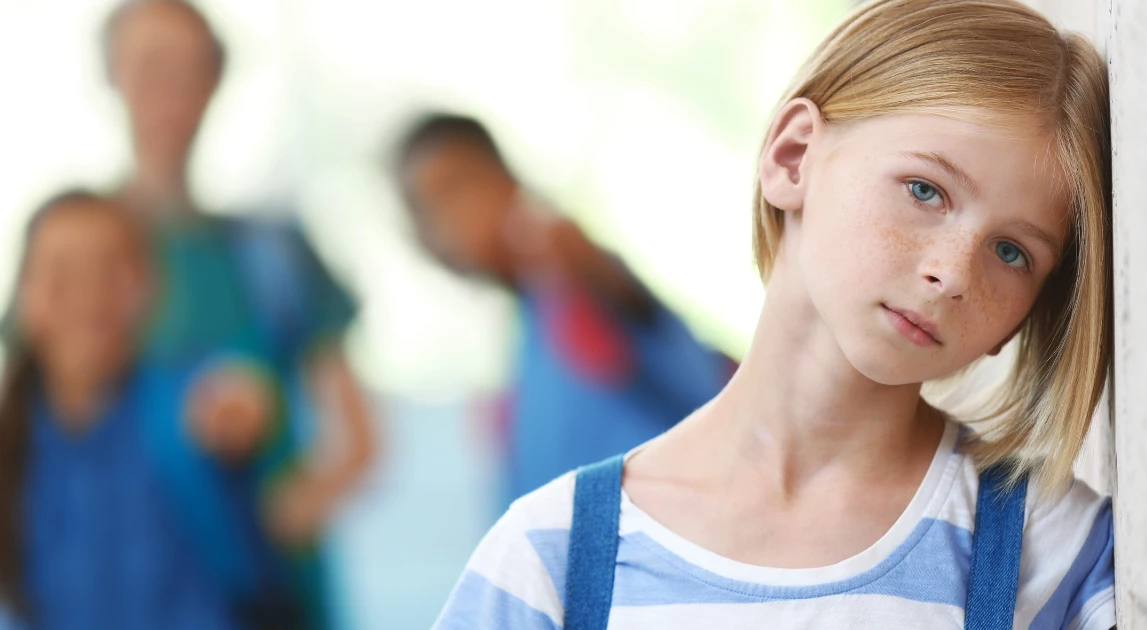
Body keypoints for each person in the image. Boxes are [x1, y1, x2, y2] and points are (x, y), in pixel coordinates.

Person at [432, 0, 1116, 628]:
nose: (954, 273)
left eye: (1011, 252)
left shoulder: (1056, 551)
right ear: (792, 158)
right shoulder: (544, 561)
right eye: (924, 190)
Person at [102, 2, 374, 626]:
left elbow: (361, 439)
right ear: (111, 75)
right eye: (149, 65)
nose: (170, 91)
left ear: (215, 83)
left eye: (190, 69)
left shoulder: (272, 254)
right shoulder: (72, 258)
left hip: (265, 597)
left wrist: (294, 504)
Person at [392, 114, 734, 508]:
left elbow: (694, 386)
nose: (439, 226)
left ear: (504, 179)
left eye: (451, 191)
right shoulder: (524, 332)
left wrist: (584, 268)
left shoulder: (572, 272)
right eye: (419, 210)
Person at [0, 191, 283, 629]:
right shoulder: (14, 435)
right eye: (61, 272)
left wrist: (240, 405)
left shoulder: (179, 404)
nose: (87, 293)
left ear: (151, 284)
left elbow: (235, 394)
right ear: (23, 294)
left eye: (108, 269)